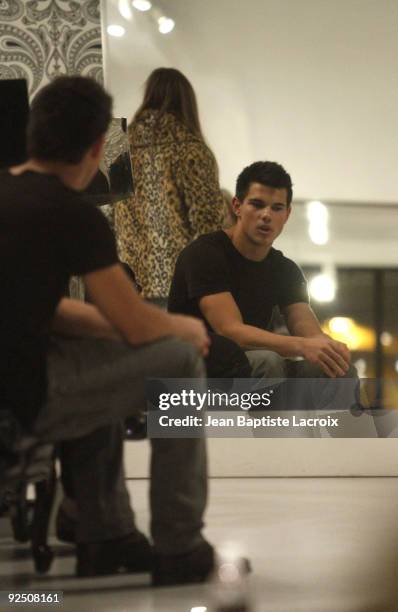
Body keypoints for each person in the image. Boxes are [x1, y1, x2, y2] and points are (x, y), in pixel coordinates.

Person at [0, 75, 218, 585]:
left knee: (101, 356)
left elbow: (48, 311)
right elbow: (137, 323)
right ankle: (179, 542)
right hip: (26, 396)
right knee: (179, 360)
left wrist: (116, 332)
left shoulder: (7, 193)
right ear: (98, 147)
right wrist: (185, 327)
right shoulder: (72, 214)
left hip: (14, 381)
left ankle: (106, 534)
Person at [168, 161, 356, 392]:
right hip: (197, 368)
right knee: (267, 362)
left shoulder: (285, 268)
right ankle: (278, 427)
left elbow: (307, 330)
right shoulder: (204, 253)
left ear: (287, 214)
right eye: (257, 205)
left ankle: (356, 428)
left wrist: (329, 348)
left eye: (277, 208)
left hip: (250, 366)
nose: (266, 215)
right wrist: (302, 345)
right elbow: (231, 331)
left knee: (337, 368)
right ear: (237, 206)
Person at [115, 67, 225, 304]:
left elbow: (106, 216)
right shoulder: (192, 149)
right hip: (181, 285)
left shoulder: (117, 145)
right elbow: (209, 224)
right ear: (187, 101)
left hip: (128, 285)